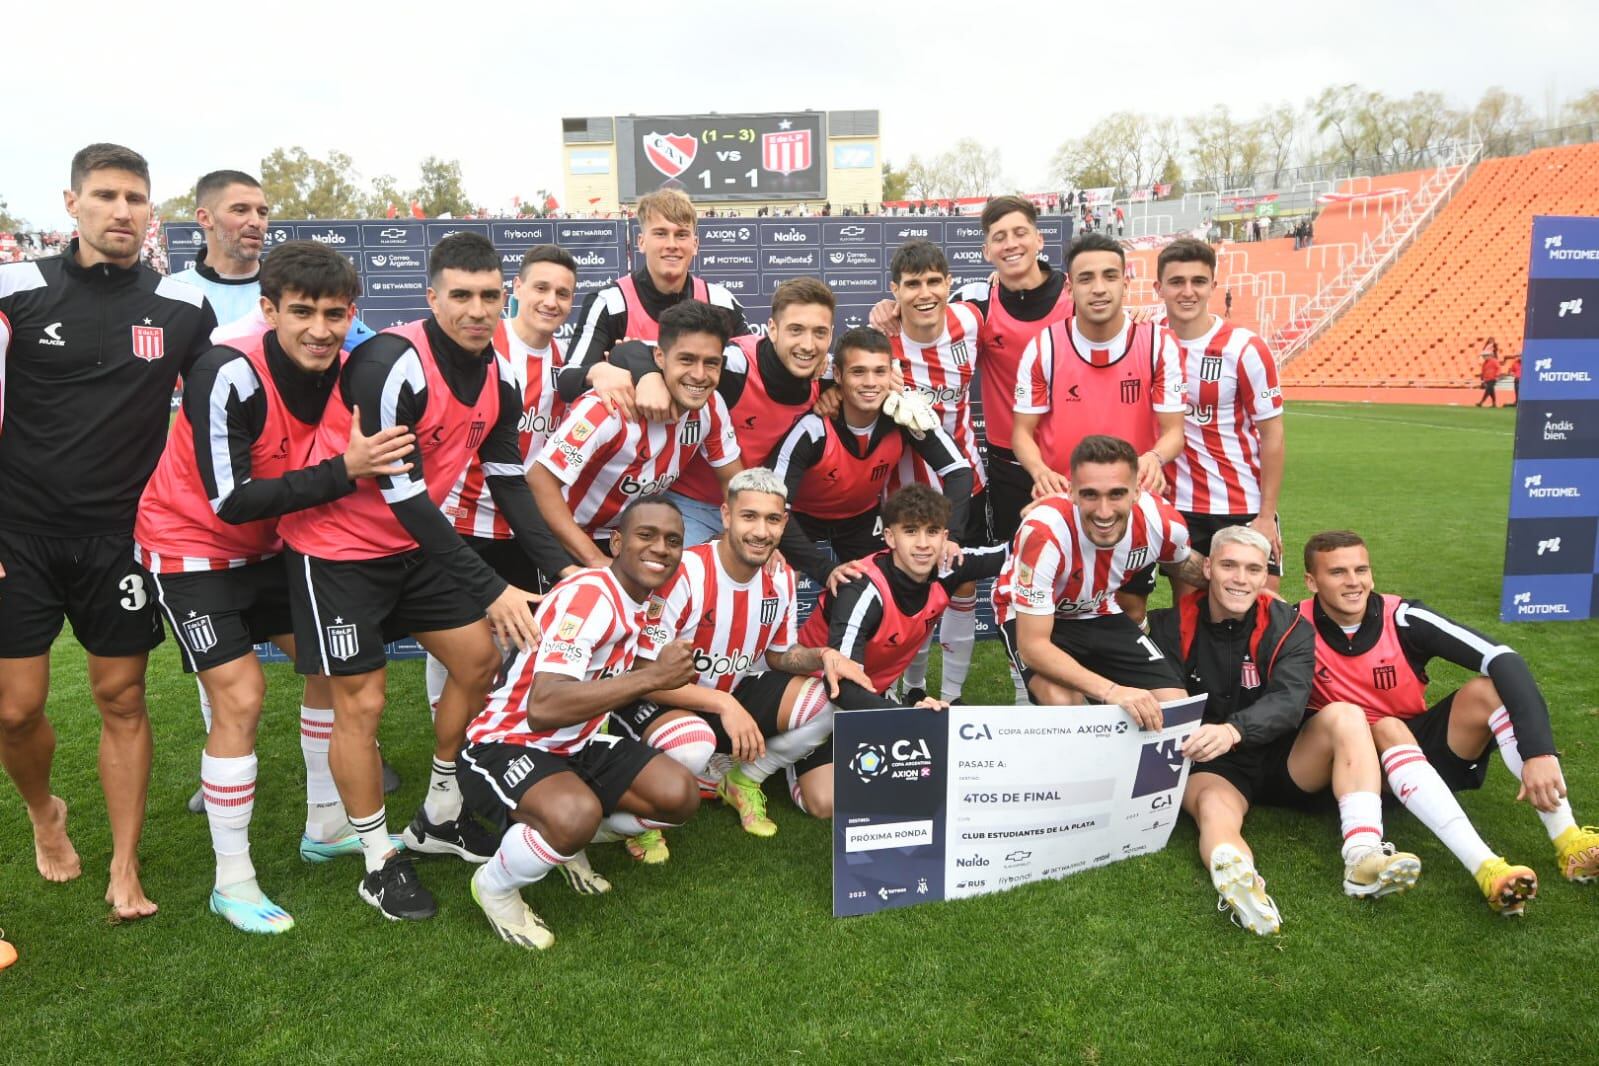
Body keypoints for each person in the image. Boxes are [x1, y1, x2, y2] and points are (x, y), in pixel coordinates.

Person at [133, 241, 415, 933]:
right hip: (191, 546)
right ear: (268, 310)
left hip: (274, 544)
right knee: (241, 696)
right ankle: (233, 880)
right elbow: (229, 500)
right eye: (301, 312)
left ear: (353, 314)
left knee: (327, 671)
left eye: (333, 313)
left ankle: (326, 826)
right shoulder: (226, 369)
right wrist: (346, 469)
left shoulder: (352, 369)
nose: (319, 329)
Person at [278, 233, 547, 921]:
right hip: (336, 549)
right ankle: (377, 861)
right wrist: (492, 588)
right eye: (460, 295)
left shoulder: (498, 378)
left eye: (490, 296)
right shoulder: (391, 362)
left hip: (411, 547)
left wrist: (567, 566)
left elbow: (511, 484)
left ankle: (437, 812)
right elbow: (406, 498)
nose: (477, 309)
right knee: (361, 704)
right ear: (432, 297)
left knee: (477, 660)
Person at [0, 143, 218, 920]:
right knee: (14, 709)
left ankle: (124, 866)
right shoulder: (15, 291)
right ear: (71, 204)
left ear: (150, 211)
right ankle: (42, 812)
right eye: (105, 196)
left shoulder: (182, 310)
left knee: (120, 697)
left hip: (120, 541)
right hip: (18, 535)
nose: (122, 211)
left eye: (135, 198)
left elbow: (229, 404)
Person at [1300, 530, 1599, 915]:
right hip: (1349, 768)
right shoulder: (1293, 627)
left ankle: (1569, 839)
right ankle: (1487, 867)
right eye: (1338, 572)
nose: (1354, 581)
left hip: (1417, 753)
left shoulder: (1404, 617)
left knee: (1488, 690)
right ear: (1311, 581)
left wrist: (1538, 751)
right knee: (1384, 726)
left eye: (1362, 569)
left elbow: (1502, 657)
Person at [1148, 526, 1420, 937]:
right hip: (1211, 763)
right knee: (1214, 812)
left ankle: (1362, 856)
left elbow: (1290, 702)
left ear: (1264, 577)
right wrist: (1209, 735)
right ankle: (1243, 881)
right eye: (1229, 565)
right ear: (1208, 568)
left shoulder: (1288, 625)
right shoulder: (1169, 625)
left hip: (1283, 757)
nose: (1240, 578)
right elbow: (1166, 701)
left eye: (1253, 569)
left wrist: (1234, 729)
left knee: (1346, 715)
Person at [457, 496, 701, 950]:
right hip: (506, 743)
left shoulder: (645, 602)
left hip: (577, 743)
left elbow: (641, 677)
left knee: (679, 796)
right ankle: (494, 886)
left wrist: (670, 673)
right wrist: (653, 676)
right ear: (616, 543)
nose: (661, 548)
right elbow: (544, 707)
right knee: (575, 815)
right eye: (646, 535)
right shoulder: (589, 596)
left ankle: (563, 845)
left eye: (673, 541)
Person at [619, 468, 873, 858]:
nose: (760, 531)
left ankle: (742, 779)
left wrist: (823, 655)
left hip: (730, 697)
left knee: (829, 700)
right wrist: (725, 705)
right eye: (748, 516)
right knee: (692, 745)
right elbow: (641, 676)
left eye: (772, 519)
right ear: (725, 516)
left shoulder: (783, 578)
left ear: (784, 523)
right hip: (661, 701)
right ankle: (643, 815)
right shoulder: (684, 572)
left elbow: (778, 655)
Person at [789, 484, 1009, 818]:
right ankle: (792, 755)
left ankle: (865, 738)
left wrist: (1057, 512)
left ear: (945, 537)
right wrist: (910, 720)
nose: (923, 544)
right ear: (890, 537)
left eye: (932, 532)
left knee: (926, 777)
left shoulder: (949, 566)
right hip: (814, 695)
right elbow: (842, 686)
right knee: (825, 804)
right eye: (911, 532)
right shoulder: (862, 587)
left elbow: (1010, 554)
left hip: (870, 696)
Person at [426, 245, 580, 714]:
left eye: (563, 293)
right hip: (462, 516)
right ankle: (443, 713)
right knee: (462, 633)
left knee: (519, 635)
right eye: (541, 288)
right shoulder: (486, 349)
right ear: (516, 289)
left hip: (521, 524)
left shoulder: (568, 361)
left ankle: (496, 721)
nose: (551, 301)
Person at [607, 277, 833, 546]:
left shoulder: (829, 373)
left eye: (819, 333)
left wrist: (840, 392)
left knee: (776, 580)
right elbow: (629, 351)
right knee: (682, 577)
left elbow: (874, 379)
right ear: (772, 329)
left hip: (751, 509)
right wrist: (648, 377)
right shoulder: (734, 363)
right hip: (687, 504)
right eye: (796, 330)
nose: (808, 345)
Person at [994, 435, 1200, 716]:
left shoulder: (1163, 524)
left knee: (1174, 706)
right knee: (1066, 704)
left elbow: (1185, 565)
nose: (1104, 512)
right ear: (1072, 493)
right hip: (1031, 618)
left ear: (1137, 491)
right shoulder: (1045, 532)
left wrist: (1242, 583)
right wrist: (1111, 691)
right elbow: (1033, 646)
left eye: (1116, 493)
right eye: (1090, 494)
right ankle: (1029, 695)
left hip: (1097, 609)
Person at [531, 300, 743, 568]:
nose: (699, 375)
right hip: (566, 537)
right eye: (686, 360)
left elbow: (734, 482)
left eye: (711, 363)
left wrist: (750, 535)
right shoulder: (608, 407)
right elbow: (539, 479)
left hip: (626, 541)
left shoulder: (711, 407)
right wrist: (597, 561)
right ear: (659, 358)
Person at [769, 327, 971, 589]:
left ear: (892, 374)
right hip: (800, 518)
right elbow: (775, 506)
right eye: (858, 372)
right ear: (838, 376)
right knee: (776, 581)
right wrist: (826, 570)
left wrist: (951, 535)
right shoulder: (813, 428)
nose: (870, 383)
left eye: (879, 371)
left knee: (883, 588)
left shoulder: (904, 415)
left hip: (860, 519)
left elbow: (959, 471)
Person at [883, 240, 989, 703]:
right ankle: (911, 687)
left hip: (968, 481)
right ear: (895, 291)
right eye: (911, 285)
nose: (923, 293)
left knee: (961, 585)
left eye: (932, 282)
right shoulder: (881, 346)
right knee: (910, 590)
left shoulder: (970, 321)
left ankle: (952, 697)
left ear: (949, 284)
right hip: (905, 490)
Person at [1153, 238, 1285, 599]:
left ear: (1213, 285)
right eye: (1177, 282)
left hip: (1241, 502)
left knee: (1261, 608)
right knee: (1191, 618)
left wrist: (1266, 515)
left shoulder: (1245, 347)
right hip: (1179, 506)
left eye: (1198, 281)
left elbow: (1272, 436)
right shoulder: (1147, 344)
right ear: (1159, 287)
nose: (1188, 291)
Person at [1012, 232, 1187, 505]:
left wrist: (1154, 457)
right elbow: (1022, 432)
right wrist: (1040, 470)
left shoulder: (1158, 344)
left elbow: (1174, 432)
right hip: (1067, 496)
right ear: (1070, 288)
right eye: (1086, 278)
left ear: (1125, 284)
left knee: (1175, 537)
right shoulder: (1043, 347)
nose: (1099, 288)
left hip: (1134, 495)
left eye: (1110, 276)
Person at [558, 188, 749, 414]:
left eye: (681, 234)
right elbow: (568, 379)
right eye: (660, 233)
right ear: (641, 242)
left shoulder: (721, 301)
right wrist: (604, 370)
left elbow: (745, 368)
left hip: (702, 439)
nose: (672, 244)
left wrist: (633, 357)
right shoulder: (610, 302)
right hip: (632, 443)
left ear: (695, 244)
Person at [1475, 339, 1500, 408]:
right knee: (1491, 390)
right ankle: (1494, 403)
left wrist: (1497, 375)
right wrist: (1482, 377)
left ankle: (1481, 402)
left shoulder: (1494, 361)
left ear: (1489, 355)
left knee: (1488, 389)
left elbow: (1498, 368)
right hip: (1487, 379)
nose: (1484, 357)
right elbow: (1483, 371)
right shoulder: (1484, 363)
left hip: (1493, 378)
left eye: (1485, 356)